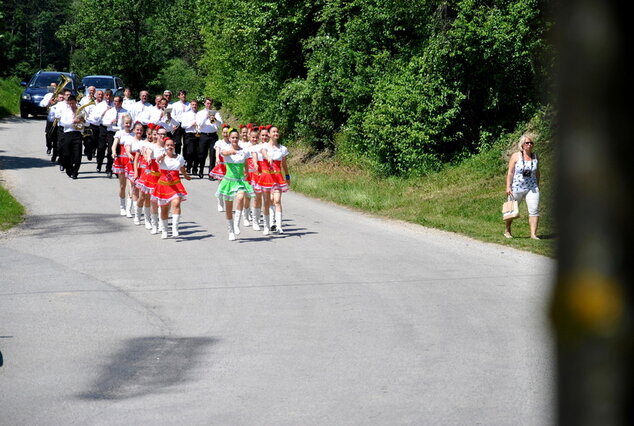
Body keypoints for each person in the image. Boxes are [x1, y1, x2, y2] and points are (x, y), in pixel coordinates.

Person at [216, 128, 255, 240]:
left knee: (241, 197)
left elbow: (246, 162)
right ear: (229, 138)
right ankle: (231, 230)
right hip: (228, 181)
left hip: (240, 180)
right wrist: (231, 151)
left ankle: (237, 223)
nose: (235, 139)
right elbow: (223, 153)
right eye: (232, 137)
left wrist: (246, 171)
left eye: (236, 137)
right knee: (228, 208)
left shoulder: (244, 150)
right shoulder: (225, 149)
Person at [152, 138, 191, 238]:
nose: (170, 147)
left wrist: (186, 175)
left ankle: (175, 228)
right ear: (165, 146)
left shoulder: (179, 157)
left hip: (176, 185)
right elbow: (157, 160)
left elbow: (182, 167)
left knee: (176, 203)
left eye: (171, 145)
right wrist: (162, 156)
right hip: (163, 185)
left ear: (174, 146)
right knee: (164, 209)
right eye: (168, 145)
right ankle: (164, 230)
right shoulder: (162, 156)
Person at [504, 134, 541, 239]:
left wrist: (537, 185)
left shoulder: (535, 156)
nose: (529, 144)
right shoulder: (516, 156)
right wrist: (508, 186)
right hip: (516, 187)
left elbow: (537, 172)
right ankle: (507, 230)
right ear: (522, 145)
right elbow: (510, 172)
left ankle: (533, 234)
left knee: (534, 210)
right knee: (511, 209)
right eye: (527, 143)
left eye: (531, 143)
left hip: (532, 188)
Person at [257, 125, 290, 235]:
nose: (276, 133)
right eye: (273, 132)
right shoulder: (264, 146)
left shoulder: (283, 149)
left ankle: (279, 226)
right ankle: (267, 225)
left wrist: (287, 176)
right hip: (267, 177)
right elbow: (263, 152)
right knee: (267, 202)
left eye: (277, 132)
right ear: (269, 134)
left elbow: (284, 164)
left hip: (277, 177)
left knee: (277, 200)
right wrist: (268, 158)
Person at [195, 97, 223, 178]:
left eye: (210, 104)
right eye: (207, 103)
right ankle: (201, 170)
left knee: (212, 155)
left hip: (213, 135)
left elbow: (220, 124)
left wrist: (215, 119)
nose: (209, 105)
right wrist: (206, 116)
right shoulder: (200, 113)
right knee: (202, 154)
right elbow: (199, 124)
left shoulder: (216, 113)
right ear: (204, 103)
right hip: (203, 135)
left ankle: (211, 173)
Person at [111, 115, 134, 216]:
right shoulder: (119, 133)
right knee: (122, 185)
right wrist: (113, 152)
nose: (128, 125)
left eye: (129, 123)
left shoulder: (134, 134)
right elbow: (114, 145)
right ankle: (122, 207)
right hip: (121, 159)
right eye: (126, 123)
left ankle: (129, 209)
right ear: (123, 123)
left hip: (130, 161)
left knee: (131, 185)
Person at [101, 95, 128, 178]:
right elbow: (103, 121)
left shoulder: (125, 112)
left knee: (119, 152)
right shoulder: (110, 111)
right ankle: (108, 168)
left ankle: (117, 169)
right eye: (114, 101)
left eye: (117, 101)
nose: (115, 103)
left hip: (121, 133)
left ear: (121, 102)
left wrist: (125, 122)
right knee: (110, 151)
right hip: (111, 133)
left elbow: (130, 122)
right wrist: (110, 121)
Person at [58, 95, 83, 179]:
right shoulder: (66, 111)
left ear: (76, 102)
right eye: (70, 103)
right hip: (68, 134)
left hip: (77, 134)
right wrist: (73, 121)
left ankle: (75, 172)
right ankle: (69, 169)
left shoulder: (80, 111)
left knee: (78, 155)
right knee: (67, 154)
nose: (72, 105)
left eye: (73, 103)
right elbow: (63, 123)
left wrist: (84, 120)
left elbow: (87, 123)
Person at [94, 89, 114, 173]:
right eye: (107, 95)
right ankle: (99, 164)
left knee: (110, 149)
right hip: (102, 127)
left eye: (110, 95)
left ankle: (109, 168)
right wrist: (105, 111)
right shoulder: (100, 105)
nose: (108, 97)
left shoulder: (114, 105)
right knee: (101, 148)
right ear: (105, 96)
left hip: (111, 128)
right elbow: (96, 118)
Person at [179, 98, 199, 173]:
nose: (194, 106)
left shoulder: (200, 114)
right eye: (193, 104)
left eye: (195, 105)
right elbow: (183, 125)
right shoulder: (186, 114)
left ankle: (195, 168)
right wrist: (191, 124)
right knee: (190, 152)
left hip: (198, 134)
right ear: (190, 105)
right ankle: (189, 166)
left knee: (197, 152)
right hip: (189, 134)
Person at [84, 89, 104, 161]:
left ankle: (93, 152)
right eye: (99, 94)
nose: (100, 96)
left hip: (100, 126)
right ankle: (89, 151)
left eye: (102, 95)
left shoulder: (104, 104)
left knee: (97, 141)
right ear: (95, 95)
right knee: (89, 141)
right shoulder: (91, 103)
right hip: (91, 124)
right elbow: (86, 113)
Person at [170, 90, 190, 154]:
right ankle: (177, 156)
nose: (183, 96)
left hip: (187, 124)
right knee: (177, 142)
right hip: (178, 124)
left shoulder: (189, 105)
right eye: (181, 94)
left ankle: (185, 159)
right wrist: (174, 124)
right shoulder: (175, 105)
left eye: (184, 94)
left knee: (187, 143)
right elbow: (173, 115)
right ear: (179, 96)